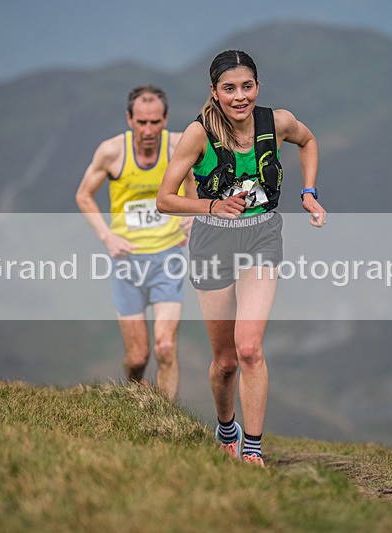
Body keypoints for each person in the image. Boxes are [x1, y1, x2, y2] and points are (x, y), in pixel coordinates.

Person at [156, 51, 326, 466]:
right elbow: (165, 200)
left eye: (246, 86)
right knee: (226, 361)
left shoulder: (277, 122)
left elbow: (308, 141)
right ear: (214, 92)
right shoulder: (198, 135)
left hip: (262, 239)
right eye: (229, 89)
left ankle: (252, 447)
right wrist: (211, 208)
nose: (239, 97)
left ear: (257, 87)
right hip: (213, 243)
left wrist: (308, 192)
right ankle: (226, 425)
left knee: (249, 348)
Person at [76, 85, 195, 401]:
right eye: (142, 122)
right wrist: (107, 236)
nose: (149, 130)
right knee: (139, 357)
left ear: (166, 119)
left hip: (169, 256)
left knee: (165, 347)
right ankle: (132, 394)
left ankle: (165, 423)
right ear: (129, 119)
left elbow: (196, 175)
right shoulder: (111, 152)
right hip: (127, 261)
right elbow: (83, 195)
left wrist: (194, 212)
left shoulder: (177, 146)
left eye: (155, 122)